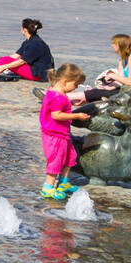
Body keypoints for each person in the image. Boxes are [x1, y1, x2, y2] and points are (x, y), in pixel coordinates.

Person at [39, 64, 88, 202]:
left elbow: (59, 105)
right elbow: (56, 115)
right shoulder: (59, 97)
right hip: (55, 134)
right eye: (76, 84)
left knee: (69, 157)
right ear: (65, 81)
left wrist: (70, 101)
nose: (76, 87)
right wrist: (76, 116)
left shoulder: (56, 92)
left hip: (61, 133)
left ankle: (63, 182)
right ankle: (47, 187)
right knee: (56, 160)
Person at [0, 18, 53, 82]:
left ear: (25, 30)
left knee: (6, 61)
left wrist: (3, 66)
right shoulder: (29, 41)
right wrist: (2, 62)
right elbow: (16, 55)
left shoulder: (35, 44)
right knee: (5, 58)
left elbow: (21, 61)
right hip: (35, 70)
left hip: (39, 74)